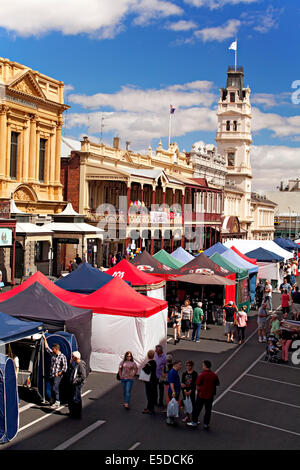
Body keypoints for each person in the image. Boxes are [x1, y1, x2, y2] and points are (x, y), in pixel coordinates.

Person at [187, 360, 220, 430]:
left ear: (205, 366)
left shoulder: (202, 374)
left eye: (203, 365)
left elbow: (197, 384)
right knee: (208, 410)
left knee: (197, 409)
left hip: (201, 395)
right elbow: (217, 383)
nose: (202, 366)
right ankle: (206, 424)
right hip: (210, 396)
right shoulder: (214, 375)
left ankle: (194, 422)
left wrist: (198, 390)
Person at [42, 334, 68, 408]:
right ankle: (52, 400)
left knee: (55, 387)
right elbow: (47, 348)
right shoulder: (53, 354)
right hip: (52, 374)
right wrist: (44, 339)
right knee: (52, 387)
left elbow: (65, 367)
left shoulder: (62, 356)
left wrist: (60, 373)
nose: (52, 350)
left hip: (57, 375)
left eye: (53, 349)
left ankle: (57, 401)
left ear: (56, 349)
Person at [67, 351, 86, 419]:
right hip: (73, 383)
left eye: (72, 357)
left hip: (77, 384)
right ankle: (73, 412)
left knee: (77, 398)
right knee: (73, 398)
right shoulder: (75, 364)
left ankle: (77, 414)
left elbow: (83, 376)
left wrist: (76, 380)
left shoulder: (81, 364)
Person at [166, 360, 182, 425]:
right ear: (176, 365)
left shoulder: (175, 371)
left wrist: (180, 384)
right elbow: (171, 383)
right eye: (180, 365)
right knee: (172, 406)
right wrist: (173, 392)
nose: (180, 366)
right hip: (174, 392)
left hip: (175, 391)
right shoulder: (172, 372)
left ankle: (170, 419)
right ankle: (170, 420)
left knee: (173, 405)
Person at [142, 350, 157, 415]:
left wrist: (143, 368)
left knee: (149, 395)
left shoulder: (148, 364)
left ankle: (149, 408)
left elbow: (147, 371)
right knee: (152, 395)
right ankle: (151, 408)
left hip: (149, 381)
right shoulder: (154, 363)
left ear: (148, 356)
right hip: (154, 381)